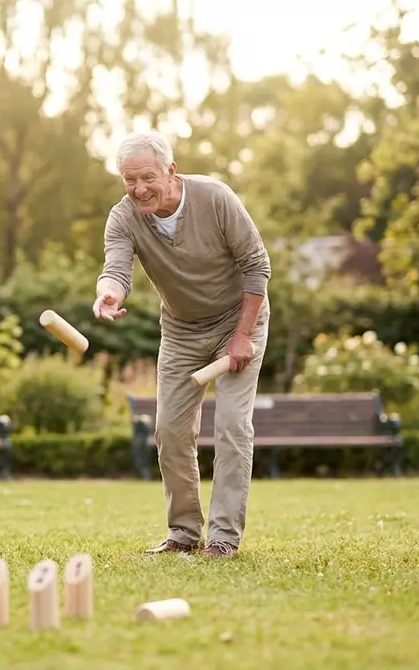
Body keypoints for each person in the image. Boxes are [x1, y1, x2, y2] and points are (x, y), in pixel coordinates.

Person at [94, 130, 271, 558]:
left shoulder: (215, 197)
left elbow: (256, 265)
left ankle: (224, 537)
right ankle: (184, 532)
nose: (139, 189)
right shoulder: (124, 217)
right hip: (181, 331)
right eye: (129, 180)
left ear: (171, 171)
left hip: (239, 322)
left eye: (147, 178)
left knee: (231, 426)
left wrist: (243, 336)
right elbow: (115, 266)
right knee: (169, 431)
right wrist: (108, 293)